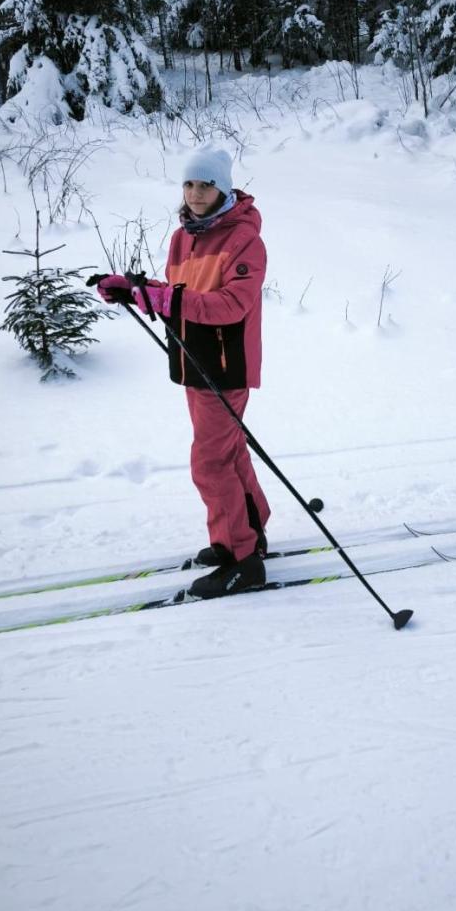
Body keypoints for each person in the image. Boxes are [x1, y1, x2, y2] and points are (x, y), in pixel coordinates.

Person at [97, 148, 271, 597]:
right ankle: (249, 532)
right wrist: (134, 290)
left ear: (223, 189)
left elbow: (232, 305)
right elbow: (180, 295)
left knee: (210, 463)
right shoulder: (183, 237)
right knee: (228, 454)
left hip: (226, 366)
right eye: (189, 184)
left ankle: (241, 560)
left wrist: (167, 299)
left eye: (206, 185)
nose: (195, 193)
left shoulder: (245, 240)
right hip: (192, 360)